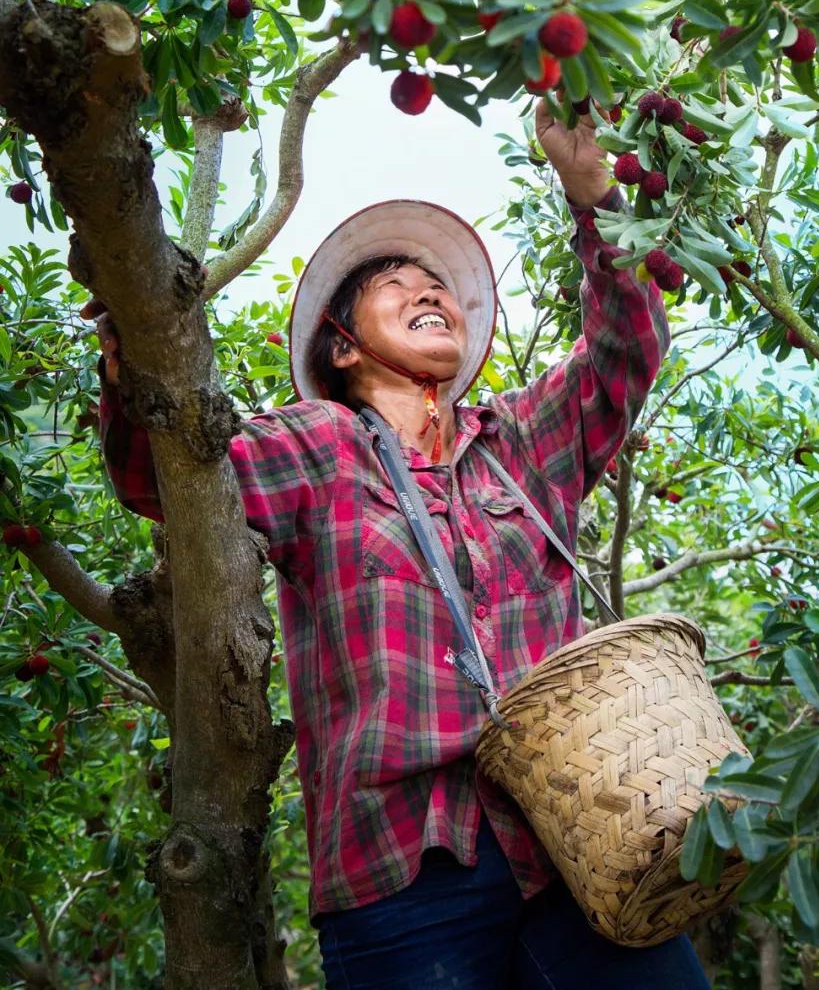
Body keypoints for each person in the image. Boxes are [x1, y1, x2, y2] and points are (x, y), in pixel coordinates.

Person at [91, 99, 711, 990]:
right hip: (403, 866)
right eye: (393, 281)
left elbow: (624, 352)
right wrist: (130, 348)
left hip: (580, 841)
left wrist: (591, 190)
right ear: (340, 346)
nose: (428, 289)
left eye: (437, 284)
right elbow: (169, 477)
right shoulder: (314, 445)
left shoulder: (525, 442)